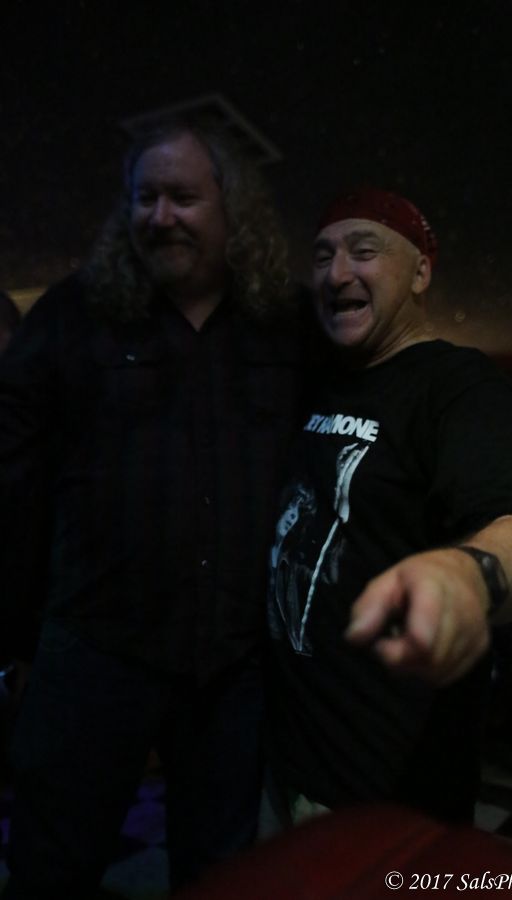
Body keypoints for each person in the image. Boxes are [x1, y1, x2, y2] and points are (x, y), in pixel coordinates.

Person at [0, 116, 304, 898]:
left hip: (232, 668)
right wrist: (17, 636)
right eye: (145, 198)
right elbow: (13, 477)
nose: (160, 216)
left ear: (231, 207)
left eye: (182, 198)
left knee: (220, 875)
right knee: (51, 869)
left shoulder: (282, 322)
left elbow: (370, 399)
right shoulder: (71, 315)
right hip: (94, 652)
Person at [265, 187, 512, 827]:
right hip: (281, 758)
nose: (337, 273)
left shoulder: (459, 384)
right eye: (322, 256)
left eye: (364, 251)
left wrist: (465, 575)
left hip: (386, 787)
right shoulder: (317, 379)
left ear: (421, 272)